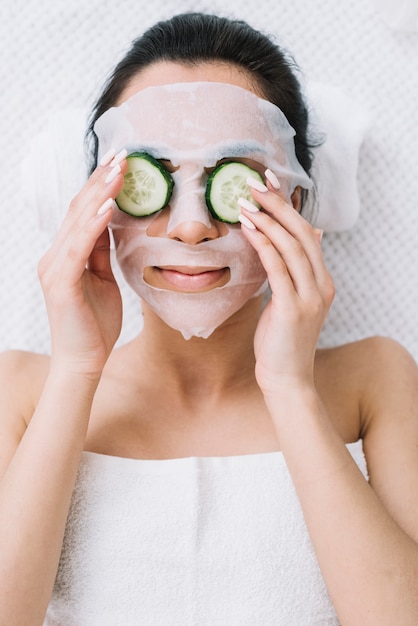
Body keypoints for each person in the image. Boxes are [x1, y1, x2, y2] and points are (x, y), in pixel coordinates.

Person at [0, 11, 417, 626]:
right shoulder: (23, 391)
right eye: (150, 180)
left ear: (295, 200)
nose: (192, 226)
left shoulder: (372, 379)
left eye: (236, 179)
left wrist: (291, 388)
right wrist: (77, 370)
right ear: (99, 203)